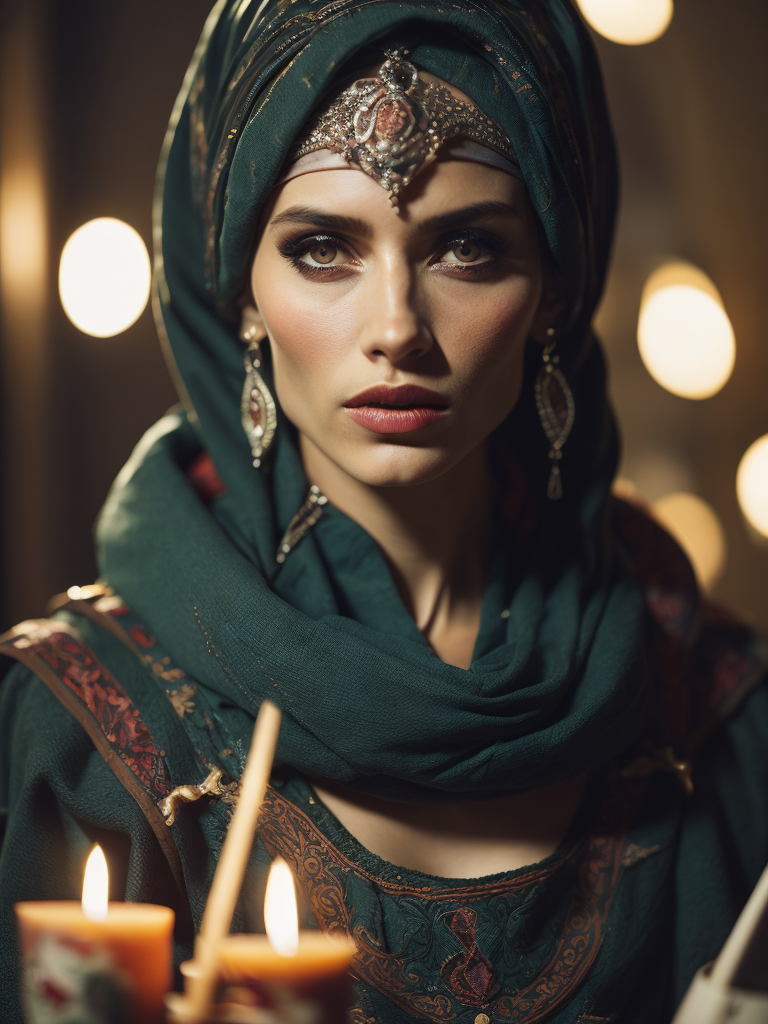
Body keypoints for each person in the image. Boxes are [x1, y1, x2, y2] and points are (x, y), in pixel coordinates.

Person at [1, 1, 767, 1021]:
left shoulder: (717, 710)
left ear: (555, 289)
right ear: (238, 291)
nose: (397, 327)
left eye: (470, 249)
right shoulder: (85, 723)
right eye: (323, 247)